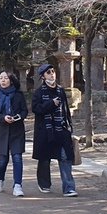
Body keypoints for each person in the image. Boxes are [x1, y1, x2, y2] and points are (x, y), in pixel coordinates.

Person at [32, 63, 77, 197]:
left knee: (65, 157)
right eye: (48, 73)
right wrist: (51, 104)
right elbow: (36, 109)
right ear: (43, 77)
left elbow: (65, 110)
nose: (52, 74)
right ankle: (44, 183)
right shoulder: (39, 92)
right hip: (46, 131)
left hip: (61, 130)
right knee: (45, 159)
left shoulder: (60, 90)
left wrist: (69, 125)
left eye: (53, 71)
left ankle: (69, 187)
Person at [0, 71, 28, 197]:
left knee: (17, 158)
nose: (3, 80)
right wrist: (3, 118)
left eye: (6, 78)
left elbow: (24, 111)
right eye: (1, 78)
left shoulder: (18, 94)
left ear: (11, 80)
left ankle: (18, 185)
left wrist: (17, 117)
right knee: (2, 160)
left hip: (17, 130)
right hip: (1, 130)